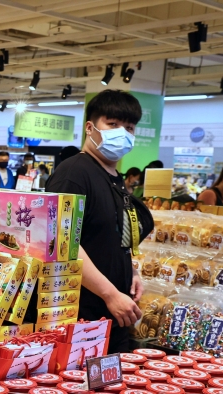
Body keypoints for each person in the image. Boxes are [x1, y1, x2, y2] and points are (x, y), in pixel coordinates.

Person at [45, 89, 154, 354]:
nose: (123, 133)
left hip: (113, 313)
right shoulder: (74, 173)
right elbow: (63, 242)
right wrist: (109, 293)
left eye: (129, 127)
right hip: (82, 315)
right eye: (113, 124)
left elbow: (113, 234)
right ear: (90, 128)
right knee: (80, 390)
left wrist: (131, 271)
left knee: (110, 393)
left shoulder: (115, 178)